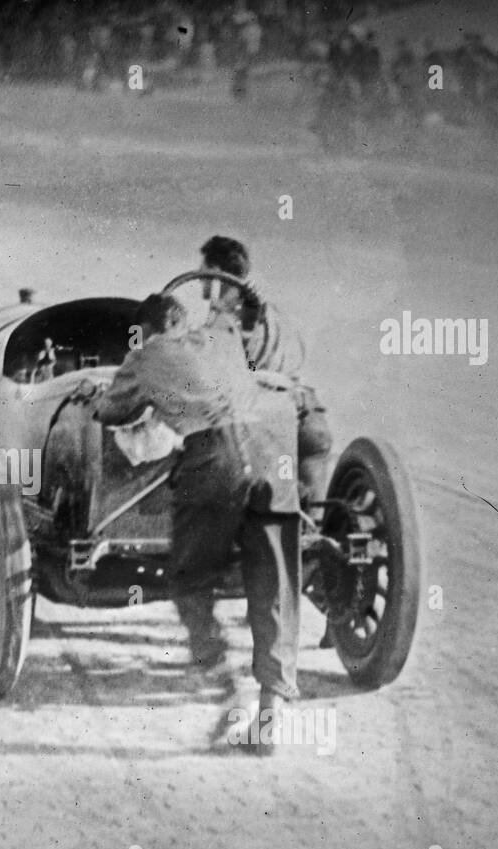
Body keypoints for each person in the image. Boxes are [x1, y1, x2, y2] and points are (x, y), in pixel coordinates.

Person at [93, 293, 300, 754]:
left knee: (189, 580)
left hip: (214, 459)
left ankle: (228, 692)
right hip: (270, 451)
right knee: (272, 582)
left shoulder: (145, 354)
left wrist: (151, 400)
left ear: (149, 328)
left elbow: (108, 412)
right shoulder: (222, 334)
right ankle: (269, 717)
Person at [198, 235, 332, 506]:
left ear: (214, 274)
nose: (200, 281)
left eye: (203, 274)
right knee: (312, 514)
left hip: (261, 420)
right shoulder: (278, 315)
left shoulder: (226, 318)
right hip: (307, 414)